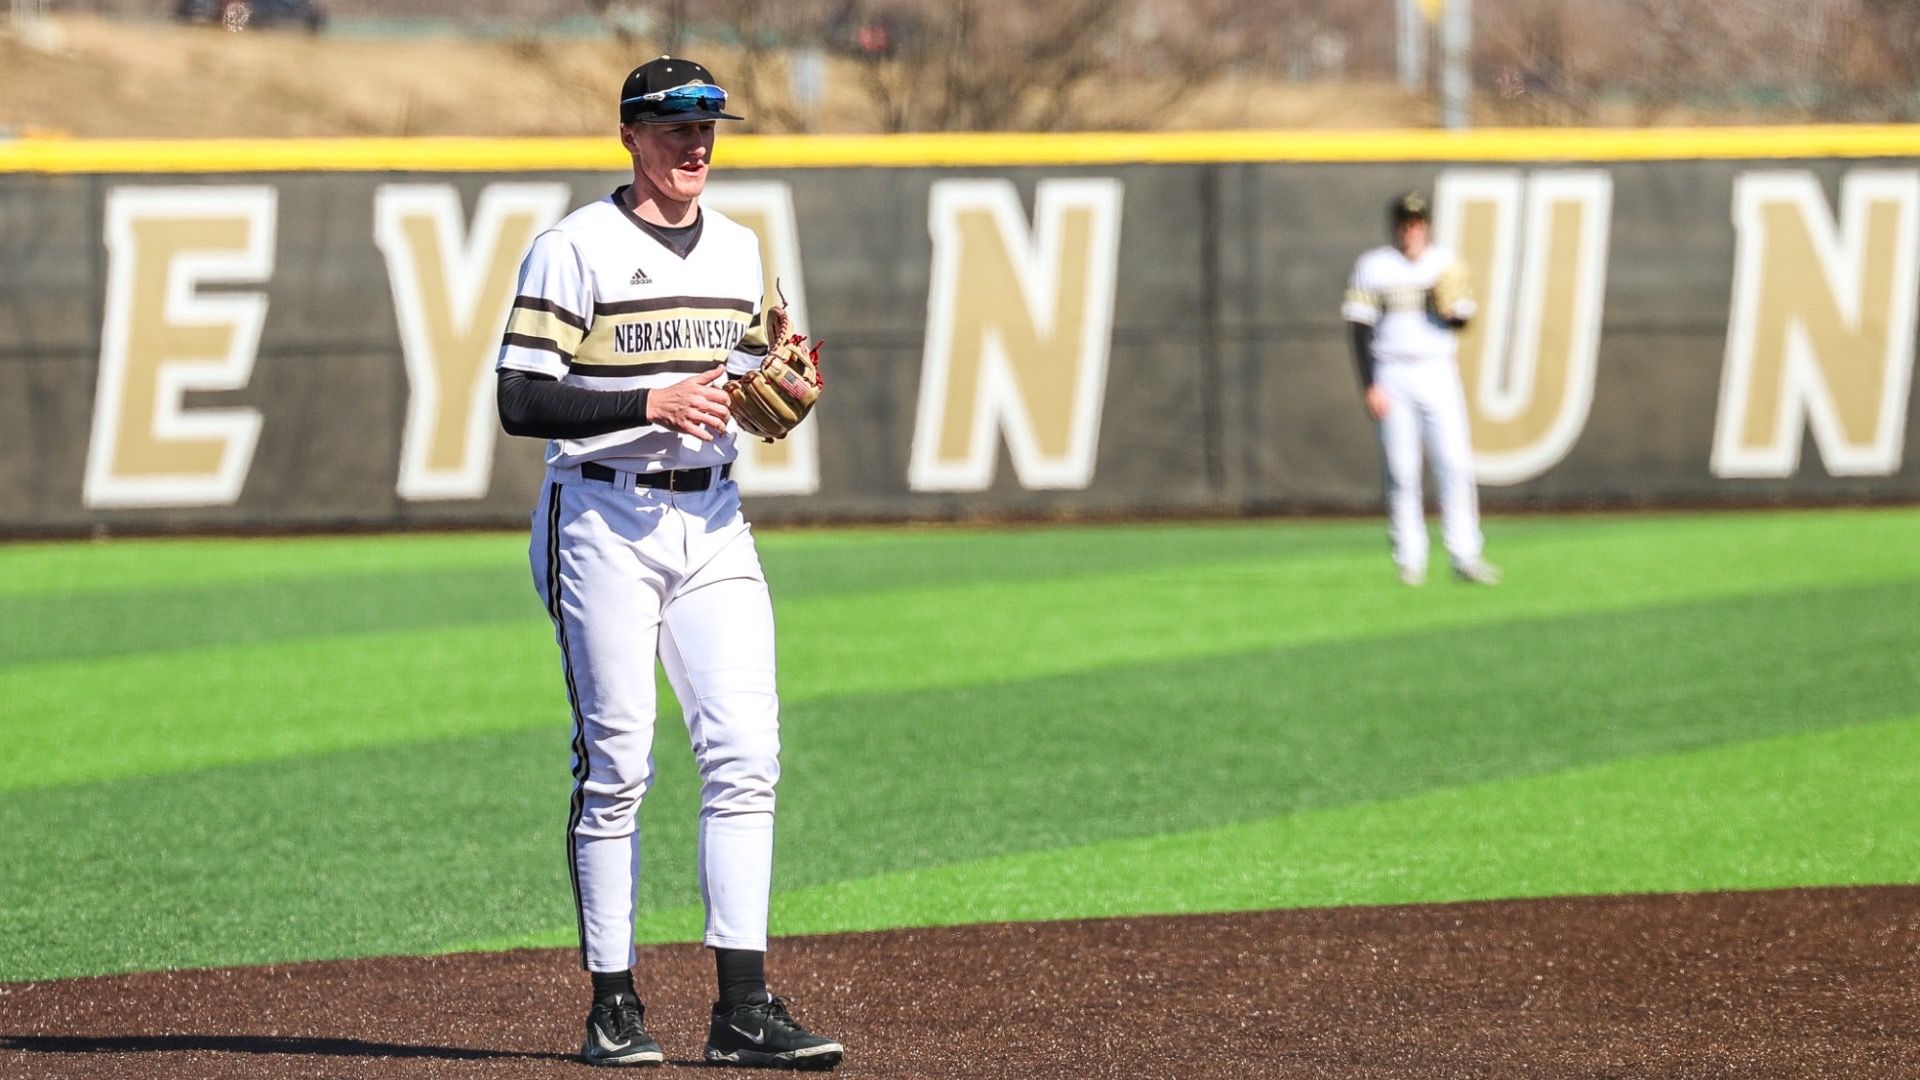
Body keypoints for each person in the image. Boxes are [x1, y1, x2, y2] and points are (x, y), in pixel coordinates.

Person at [494, 56, 844, 1071]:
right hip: (601, 521)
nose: (695, 146)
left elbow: (737, 370)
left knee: (745, 755)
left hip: (715, 520)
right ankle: (614, 1006)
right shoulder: (574, 249)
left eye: (707, 129)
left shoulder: (738, 249)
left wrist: (772, 382)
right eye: (673, 128)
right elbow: (522, 400)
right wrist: (648, 402)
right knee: (620, 767)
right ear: (631, 135)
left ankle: (743, 1008)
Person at [1341, 191, 1500, 587]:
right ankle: (1410, 558)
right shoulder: (1373, 266)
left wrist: (1450, 311)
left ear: (1426, 225)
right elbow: (1358, 329)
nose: (1410, 229)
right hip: (1392, 372)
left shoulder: (1444, 264)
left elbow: (1463, 319)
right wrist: (1370, 384)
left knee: (1455, 464)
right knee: (1401, 469)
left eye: (1416, 222)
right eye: (1404, 222)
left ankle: (1465, 554)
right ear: (1394, 225)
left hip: (1437, 370)